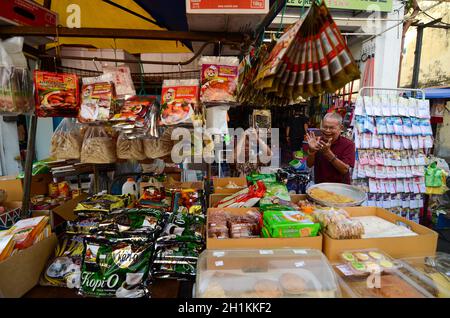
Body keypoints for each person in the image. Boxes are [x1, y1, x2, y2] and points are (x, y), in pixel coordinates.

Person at [306, 112, 355, 184]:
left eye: (331, 128)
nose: (327, 130)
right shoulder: (317, 141)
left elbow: (345, 170)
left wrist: (328, 153)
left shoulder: (348, 144)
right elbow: (309, 164)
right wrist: (312, 151)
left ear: (341, 128)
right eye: (325, 127)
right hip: (320, 186)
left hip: (340, 188)